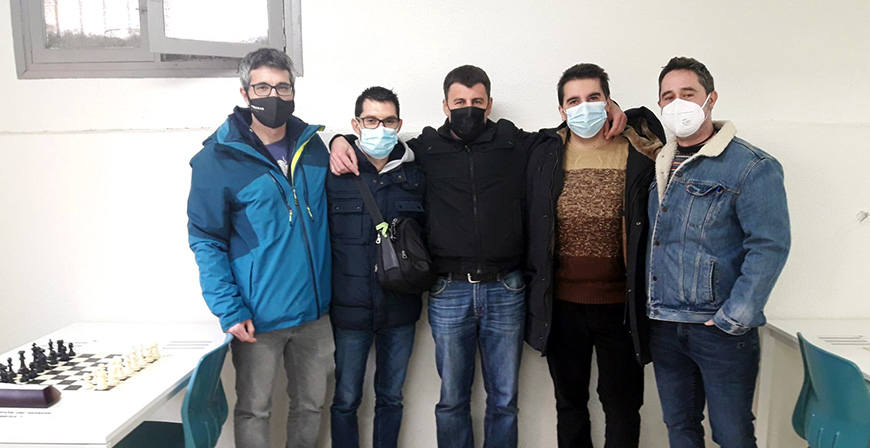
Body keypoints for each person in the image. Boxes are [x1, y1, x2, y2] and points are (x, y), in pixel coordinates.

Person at [187, 47, 333, 448]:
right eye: (263, 87)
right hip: (257, 318)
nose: (274, 95)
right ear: (245, 92)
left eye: (283, 87)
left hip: (315, 313)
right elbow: (206, 239)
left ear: (293, 91)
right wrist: (229, 309)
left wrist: (340, 141)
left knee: (311, 406)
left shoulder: (314, 148)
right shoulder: (217, 159)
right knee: (255, 410)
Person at [647, 56, 791, 448]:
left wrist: (735, 316)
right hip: (665, 324)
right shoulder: (661, 162)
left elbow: (769, 244)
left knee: (732, 434)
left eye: (688, 93)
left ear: (710, 99)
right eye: (668, 96)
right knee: (680, 428)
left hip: (720, 332)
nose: (678, 103)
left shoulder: (751, 166)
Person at [525, 63, 664, 448]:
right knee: (569, 404)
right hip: (562, 305)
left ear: (608, 102)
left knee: (623, 406)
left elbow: (661, 132)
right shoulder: (545, 153)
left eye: (593, 98)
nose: (583, 107)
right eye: (574, 101)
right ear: (561, 110)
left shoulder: (638, 151)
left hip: (621, 305)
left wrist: (626, 115)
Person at [326, 86, 425, 448]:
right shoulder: (334, 171)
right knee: (346, 399)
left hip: (400, 309)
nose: (380, 129)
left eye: (388, 121)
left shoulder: (417, 173)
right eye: (371, 120)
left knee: (391, 397)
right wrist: (336, 140)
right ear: (356, 125)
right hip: (349, 310)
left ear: (399, 124)